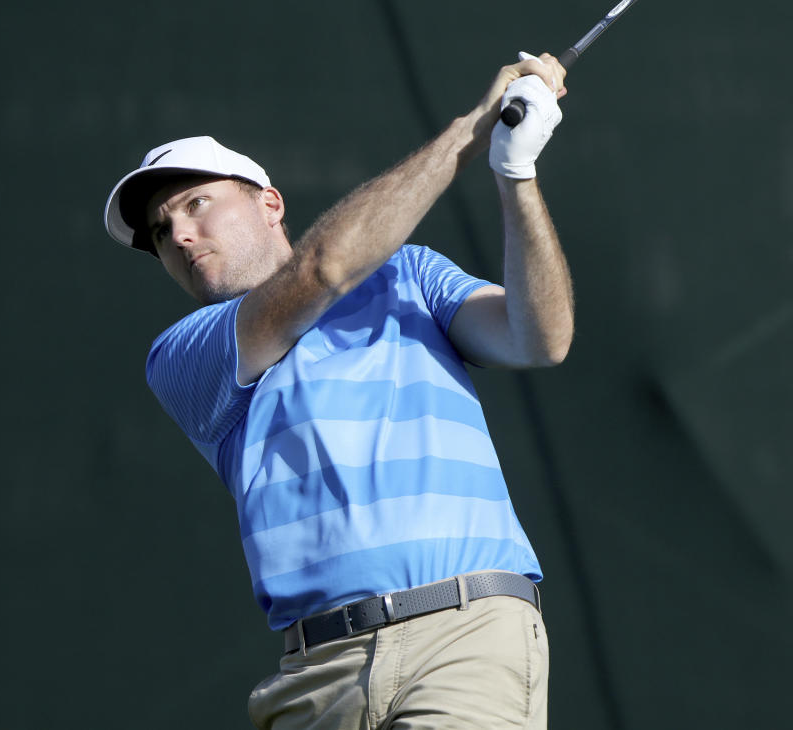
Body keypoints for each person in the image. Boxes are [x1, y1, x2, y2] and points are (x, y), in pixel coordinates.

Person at [103, 51, 573, 729]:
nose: (179, 234)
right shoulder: (185, 353)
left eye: (196, 204)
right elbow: (322, 269)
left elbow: (540, 338)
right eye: (159, 230)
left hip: (466, 639)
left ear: (269, 203)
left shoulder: (411, 276)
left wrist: (515, 174)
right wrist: (472, 128)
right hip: (317, 676)